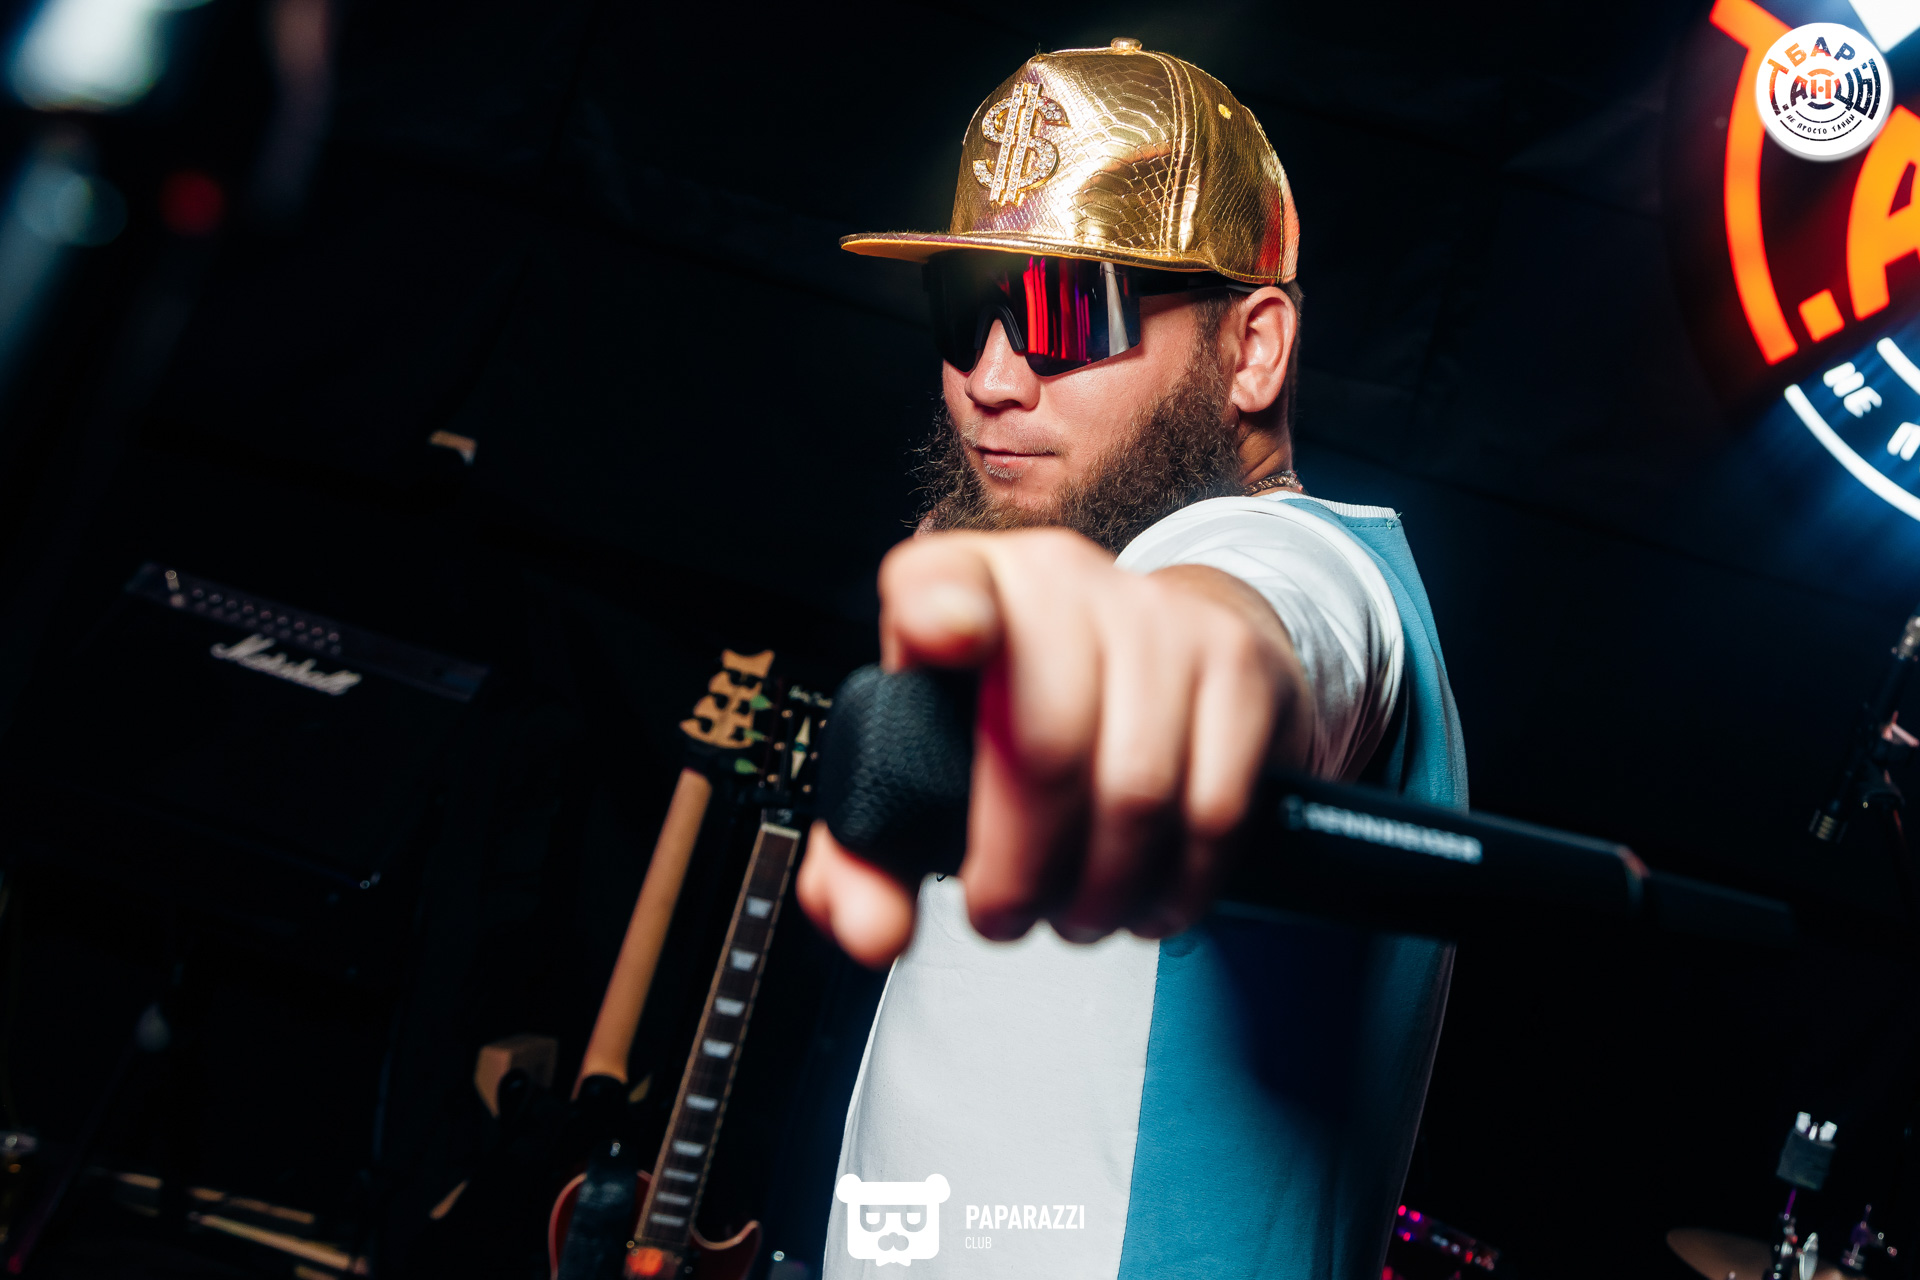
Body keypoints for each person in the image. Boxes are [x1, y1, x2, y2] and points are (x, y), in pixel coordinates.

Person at [795, 39, 1467, 1280]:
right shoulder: (1031, 594)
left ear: (1252, 349)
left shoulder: (1300, 563)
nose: (991, 378)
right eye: (965, 310)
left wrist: (1133, 679)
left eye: (1064, 312)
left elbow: (1235, 640)